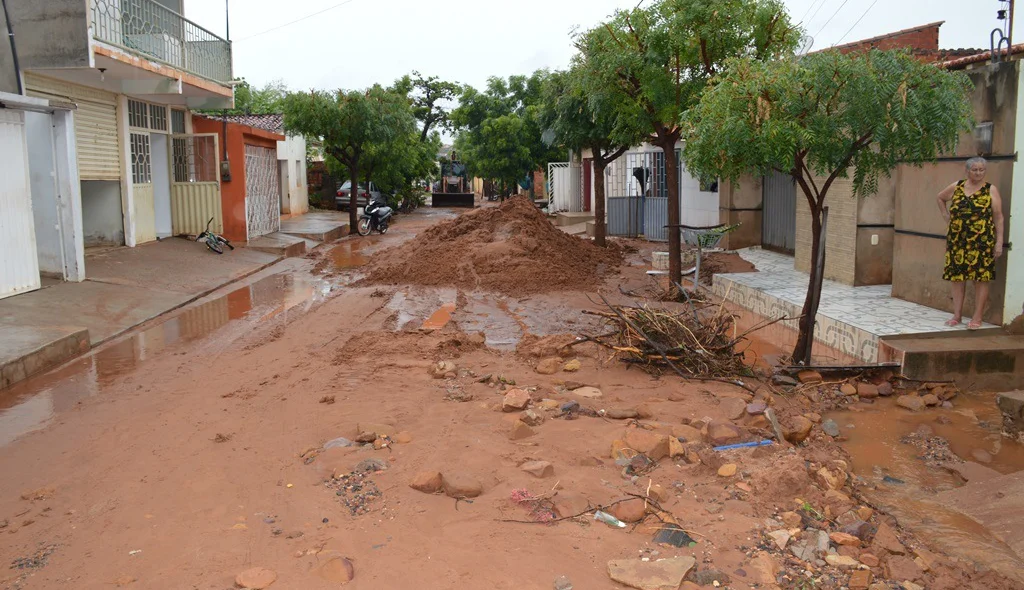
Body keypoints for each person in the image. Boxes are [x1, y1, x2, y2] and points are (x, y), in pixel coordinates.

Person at [936, 156, 1005, 330]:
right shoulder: (957, 186)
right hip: (958, 240)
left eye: (982, 170)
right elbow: (940, 197)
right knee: (957, 278)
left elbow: (998, 217)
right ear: (967, 170)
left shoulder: (990, 190)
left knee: (980, 279)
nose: (979, 173)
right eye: (975, 170)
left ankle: (977, 316)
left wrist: (999, 242)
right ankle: (957, 315)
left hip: (981, 241)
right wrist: (945, 216)